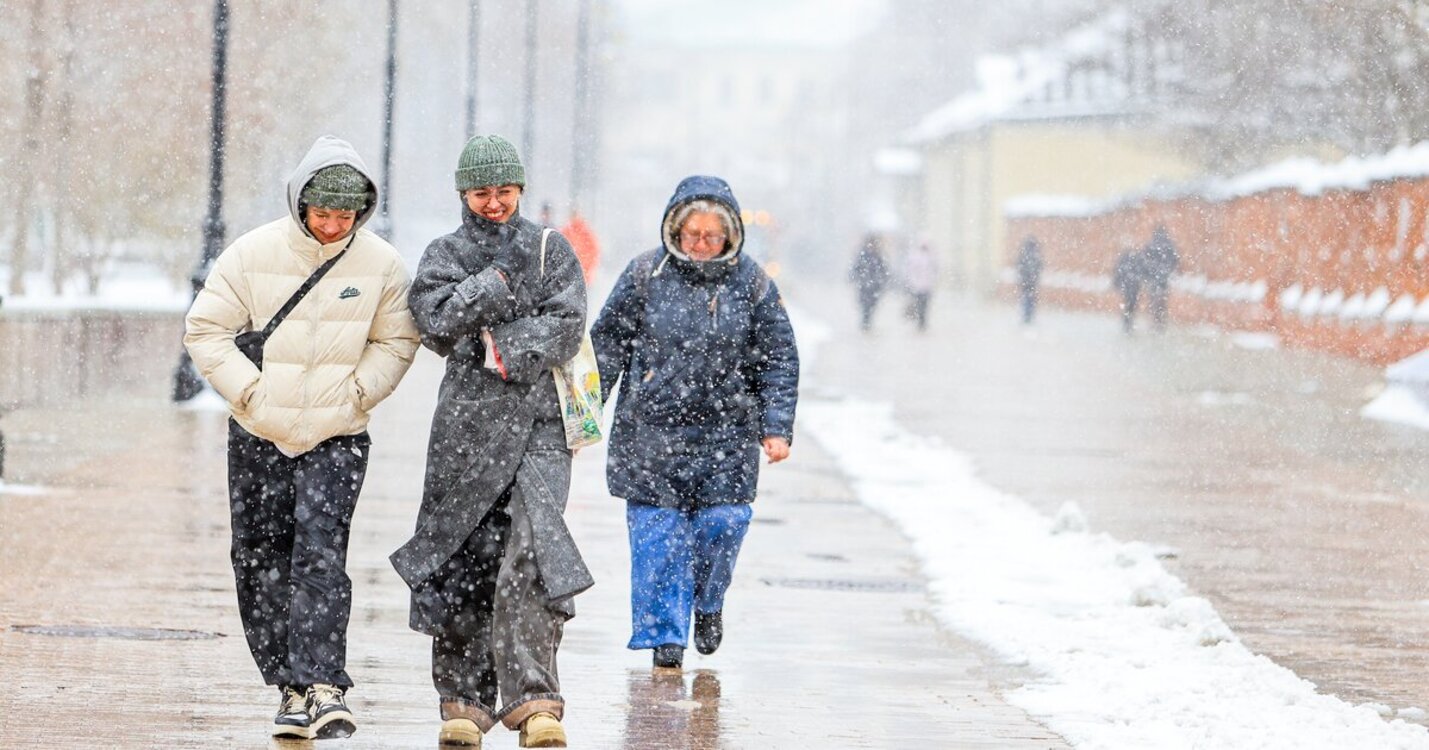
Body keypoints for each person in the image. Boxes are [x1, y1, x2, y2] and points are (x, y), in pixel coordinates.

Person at [184, 135, 420, 740]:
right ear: (300, 205)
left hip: (337, 434)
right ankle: (287, 684)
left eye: (347, 215)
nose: (334, 225)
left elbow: (396, 341)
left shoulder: (382, 265)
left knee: (320, 553)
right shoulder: (250, 254)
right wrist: (251, 394)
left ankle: (322, 683)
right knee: (258, 556)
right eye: (324, 214)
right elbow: (205, 329)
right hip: (258, 431)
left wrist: (356, 396)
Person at [393, 134, 592, 749]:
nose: (495, 202)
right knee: (465, 552)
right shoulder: (444, 251)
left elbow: (568, 323)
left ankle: (535, 700)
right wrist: (494, 288)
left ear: (520, 189)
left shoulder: (551, 250)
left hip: (539, 425)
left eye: (504, 190)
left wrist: (497, 344)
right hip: (466, 428)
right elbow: (433, 321)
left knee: (531, 548)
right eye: (483, 192)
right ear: (463, 193)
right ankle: (464, 701)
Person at [590, 175, 800, 670]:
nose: (702, 245)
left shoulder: (751, 283)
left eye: (712, 236)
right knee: (657, 538)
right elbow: (606, 348)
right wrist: (581, 419)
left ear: (730, 236)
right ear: (674, 230)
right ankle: (666, 640)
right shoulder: (645, 274)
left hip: (726, 435)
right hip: (650, 434)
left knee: (723, 525)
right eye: (692, 235)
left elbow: (778, 358)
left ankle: (707, 603)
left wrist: (776, 426)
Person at [848, 232, 889, 332]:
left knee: (872, 304)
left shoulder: (878, 256)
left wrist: (883, 278)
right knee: (864, 304)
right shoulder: (863, 255)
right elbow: (856, 267)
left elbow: (884, 269)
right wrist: (853, 276)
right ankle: (865, 321)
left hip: (875, 285)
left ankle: (867, 321)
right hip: (864, 284)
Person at [1143, 225, 1179, 331]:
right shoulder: (1169, 245)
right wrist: (1168, 270)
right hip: (1164, 277)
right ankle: (1161, 321)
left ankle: (1155, 319)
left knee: (1153, 299)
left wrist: (1148, 274)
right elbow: (1175, 259)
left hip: (1153, 277)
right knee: (1162, 300)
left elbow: (1144, 261)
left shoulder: (1151, 245)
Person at [901, 240, 939, 332]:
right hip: (918, 286)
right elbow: (909, 271)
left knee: (924, 304)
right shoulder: (915, 257)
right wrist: (911, 282)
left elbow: (935, 270)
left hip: (925, 286)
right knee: (919, 304)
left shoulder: (930, 257)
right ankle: (920, 321)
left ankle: (922, 321)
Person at [561, 209, 601, 286]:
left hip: (573, 277)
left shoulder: (580, 231)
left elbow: (594, 252)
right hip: (578, 276)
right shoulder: (568, 231)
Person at [1112, 247, 1143, 334]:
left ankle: (1127, 322)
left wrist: (1117, 284)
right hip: (1134, 287)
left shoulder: (1123, 261)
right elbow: (1142, 272)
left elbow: (1117, 273)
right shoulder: (1137, 260)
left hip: (1127, 287)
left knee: (1128, 305)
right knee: (1132, 305)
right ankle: (1129, 322)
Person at [1016, 235, 1044, 324]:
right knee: (1031, 298)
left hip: (1025, 281)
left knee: (1026, 298)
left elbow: (1019, 265)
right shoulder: (1036, 255)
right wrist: (1035, 276)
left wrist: (1022, 277)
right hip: (1032, 281)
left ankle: (1026, 315)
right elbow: (1040, 266)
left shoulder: (1024, 254)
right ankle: (1029, 315)